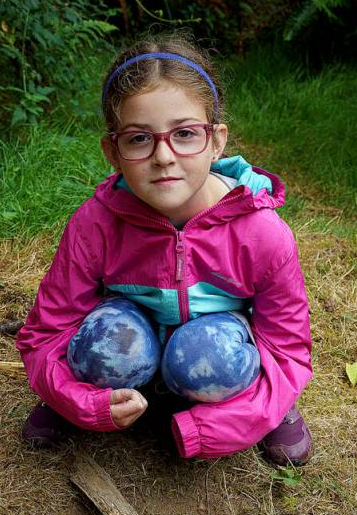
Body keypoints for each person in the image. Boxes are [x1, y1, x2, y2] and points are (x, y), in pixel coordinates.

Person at [16, 35, 312, 464]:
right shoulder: (94, 224)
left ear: (216, 141)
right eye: (139, 139)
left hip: (209, 347)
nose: (163, 156)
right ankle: (96, 394)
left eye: (186, 134)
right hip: (132, 337)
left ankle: (265, 409)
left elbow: (286, 348)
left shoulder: (262, 232)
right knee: (106, 348)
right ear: (112, 151)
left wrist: (217, 427)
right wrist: (79, 400)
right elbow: (48, 331)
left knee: (215, 360)